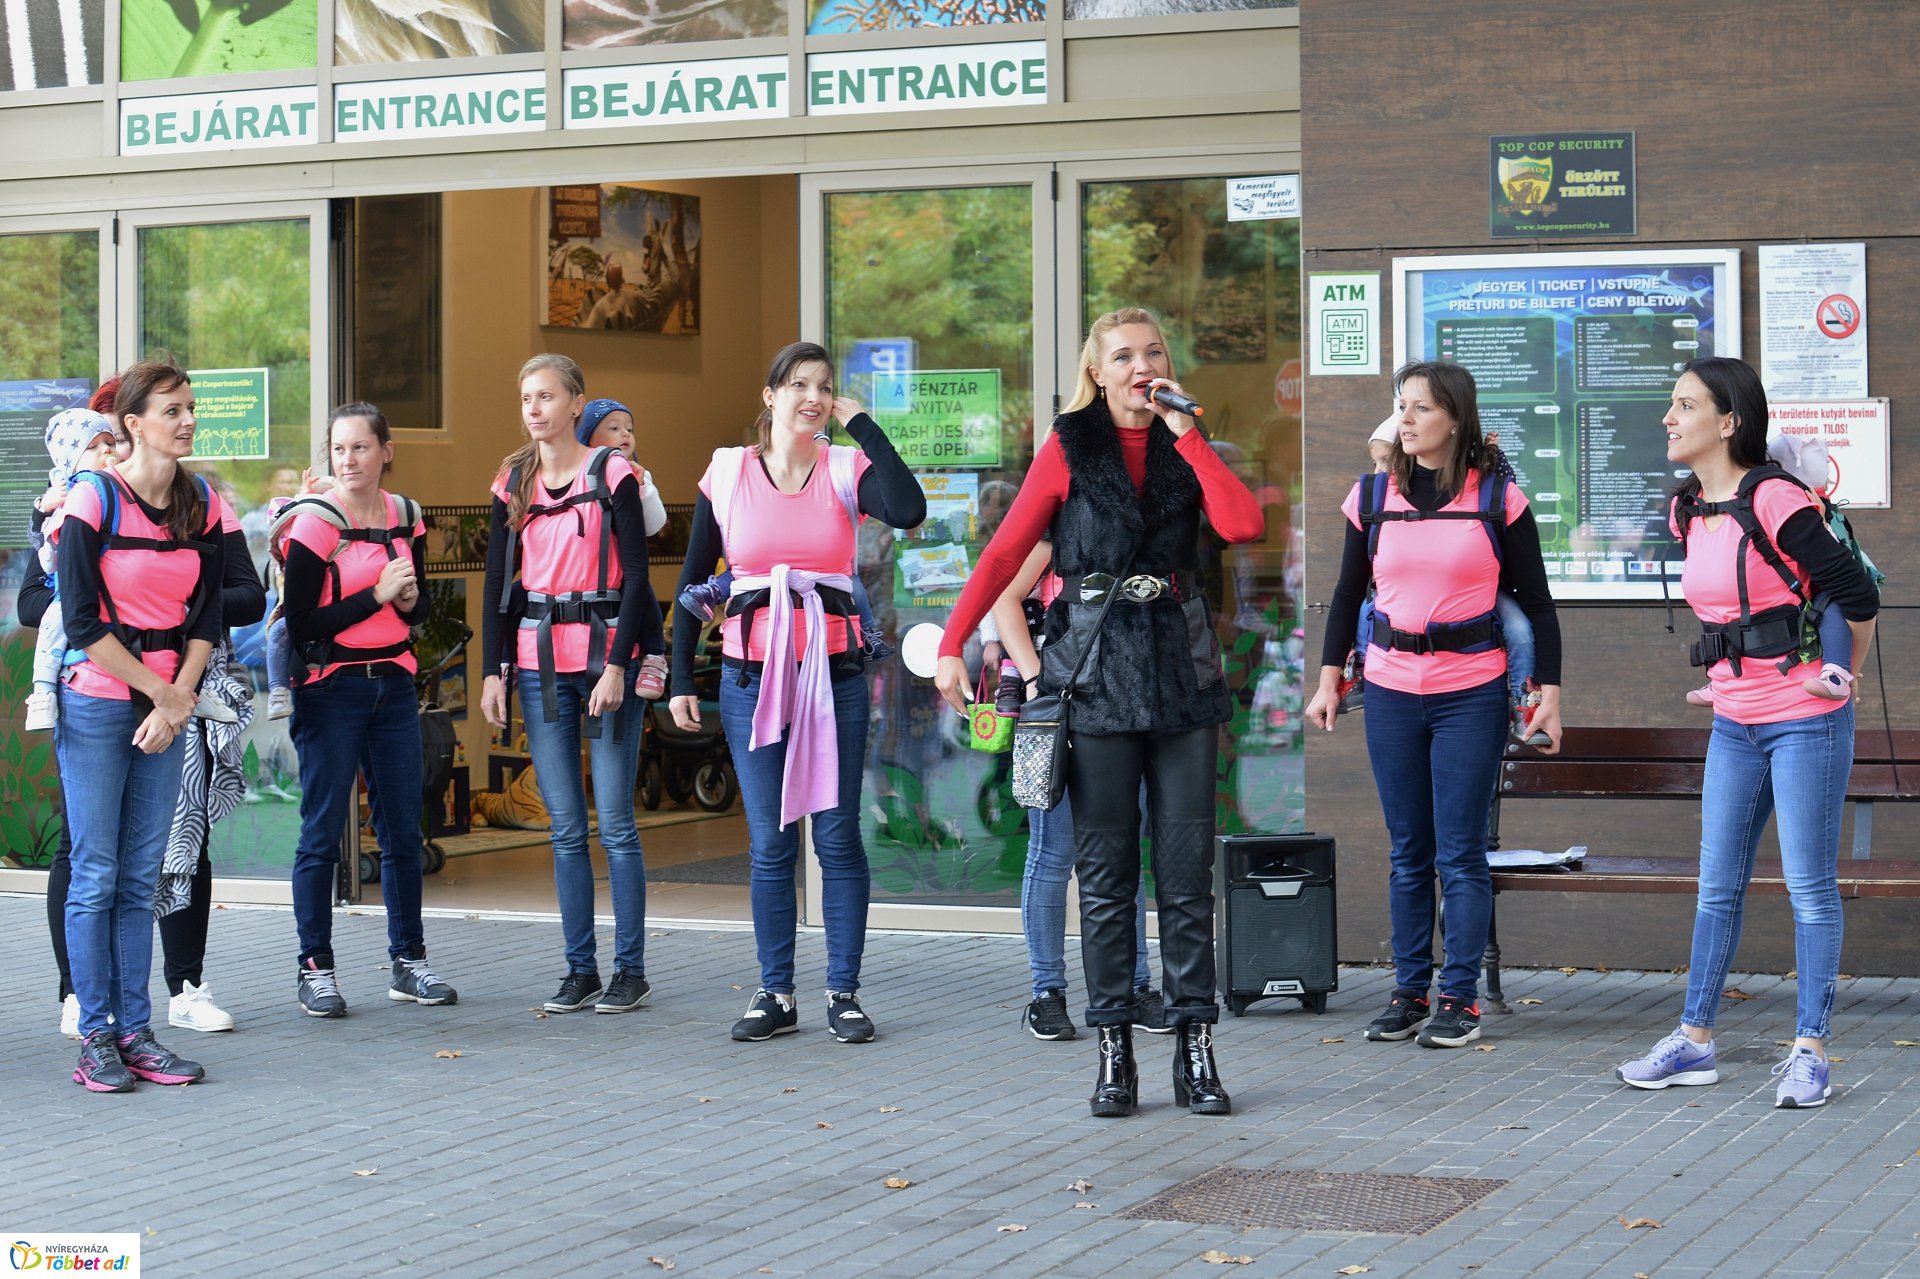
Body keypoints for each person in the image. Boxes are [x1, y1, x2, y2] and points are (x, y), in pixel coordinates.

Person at [936, 307, 1264, 1117]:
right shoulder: (1070, 446)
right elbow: (1008, 552)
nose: (1140, 366)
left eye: (1153, 352)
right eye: (1123, 356)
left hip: (1182, 677)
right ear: (1097, 370)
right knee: (1108, 880)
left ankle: (1195, 1044)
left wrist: (1188, 435)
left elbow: (1242, 523)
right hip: (1093, 678)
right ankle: (1114, 1047)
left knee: (1186, 877)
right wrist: (952, 640)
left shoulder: (1186, 444)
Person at [1614, 357, 1878, 1109]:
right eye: (1671, 403)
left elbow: (1854, 590)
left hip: (1804, 721)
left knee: (1808, 888)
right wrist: (1732, 679)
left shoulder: (1776, 498)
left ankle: (1811, 1051)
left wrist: (1835, 674)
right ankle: (1694, 1042)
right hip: (1735, 721)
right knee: (1718, 884)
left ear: (1728, 421)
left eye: (1684, 404)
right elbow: (1726, 611)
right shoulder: (1688, 508)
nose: (1669, 416)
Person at [669, 341, 924, 1044]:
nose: (812, 396)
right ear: (770, 394)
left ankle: (843, 989)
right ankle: (775, 991)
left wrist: (864, 423)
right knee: (770, 843)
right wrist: (682, 677)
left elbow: (907, 507)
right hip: (750, 678)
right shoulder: (728, 470)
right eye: (799, 384)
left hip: (834, 680)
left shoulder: (846, 468)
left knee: (838, 836)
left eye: (824, 386)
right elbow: (695, 582)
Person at [1305, 360, 1563, 1052]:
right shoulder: (1370, 497)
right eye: (1402, 406)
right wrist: (1330, 678)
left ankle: (1459, 998)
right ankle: (1408, 992)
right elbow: (1345, 593)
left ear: (1455, 417)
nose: (1407, 418)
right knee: (1409, 851)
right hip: (1390, 690)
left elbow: (1537, 604)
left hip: (1471, 694)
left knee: (1461, 853)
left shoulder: (1497, 500)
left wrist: (1549, 694)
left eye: (1421, 407)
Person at [53, 357, 231, 1092]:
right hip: (99, 697)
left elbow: (207, 614)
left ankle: (136, 1030)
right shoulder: (92, 499)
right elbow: (82, 620)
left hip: (169, 701)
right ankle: (95, 1033)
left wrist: (176, 697)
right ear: (132, 424)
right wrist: (162, 695)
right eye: (172, 409)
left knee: (140, 878)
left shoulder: (204, 505)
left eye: (190, 407)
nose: (187, 419)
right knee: (95, 874)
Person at [481, 355, 660, 1016]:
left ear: (575, 403)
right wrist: (491, 672)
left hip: (603, 654)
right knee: (563, 827)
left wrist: (619, 663)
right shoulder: (513, 478)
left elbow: (640, 577)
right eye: (526, 396)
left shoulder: (611, 470)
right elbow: (501, 586)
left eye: (547, 396)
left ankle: (630, 969)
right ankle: (579, 968)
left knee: (615, 822)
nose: (534, 408)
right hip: (539, 657)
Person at [282, 402, 459, 1018]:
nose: (349, 460)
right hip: (331, 689)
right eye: (339, 449)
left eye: (361, 447)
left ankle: (409, 961)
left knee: (403, 829)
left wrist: (407, 601)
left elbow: (418, 610)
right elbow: (304, 627)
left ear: (386, 451)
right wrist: (375, 594)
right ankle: (316, 968)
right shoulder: (314, 525)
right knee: (323, 830)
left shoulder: (404, 516)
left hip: (393, 683)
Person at [988, 541, 1166, 1041]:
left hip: (1122, 708)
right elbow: (1004, 599)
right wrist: (1035, 680)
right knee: (1053, 854)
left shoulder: (1128, 526)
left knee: (1121, 852)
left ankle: (1135, 987)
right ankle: (1046, 993)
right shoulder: (1052, 533)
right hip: (1059, 711)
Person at [578, 396, 671, 700]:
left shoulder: (636, 473)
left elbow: (654, 525)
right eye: (614, 428)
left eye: (629, 428)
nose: (625, 434)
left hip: (626, 566)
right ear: (587, 439)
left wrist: (643, 488)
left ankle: (654, 655)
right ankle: (507, 660)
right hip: (588, 570)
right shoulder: (577, 476)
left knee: (642, 590)